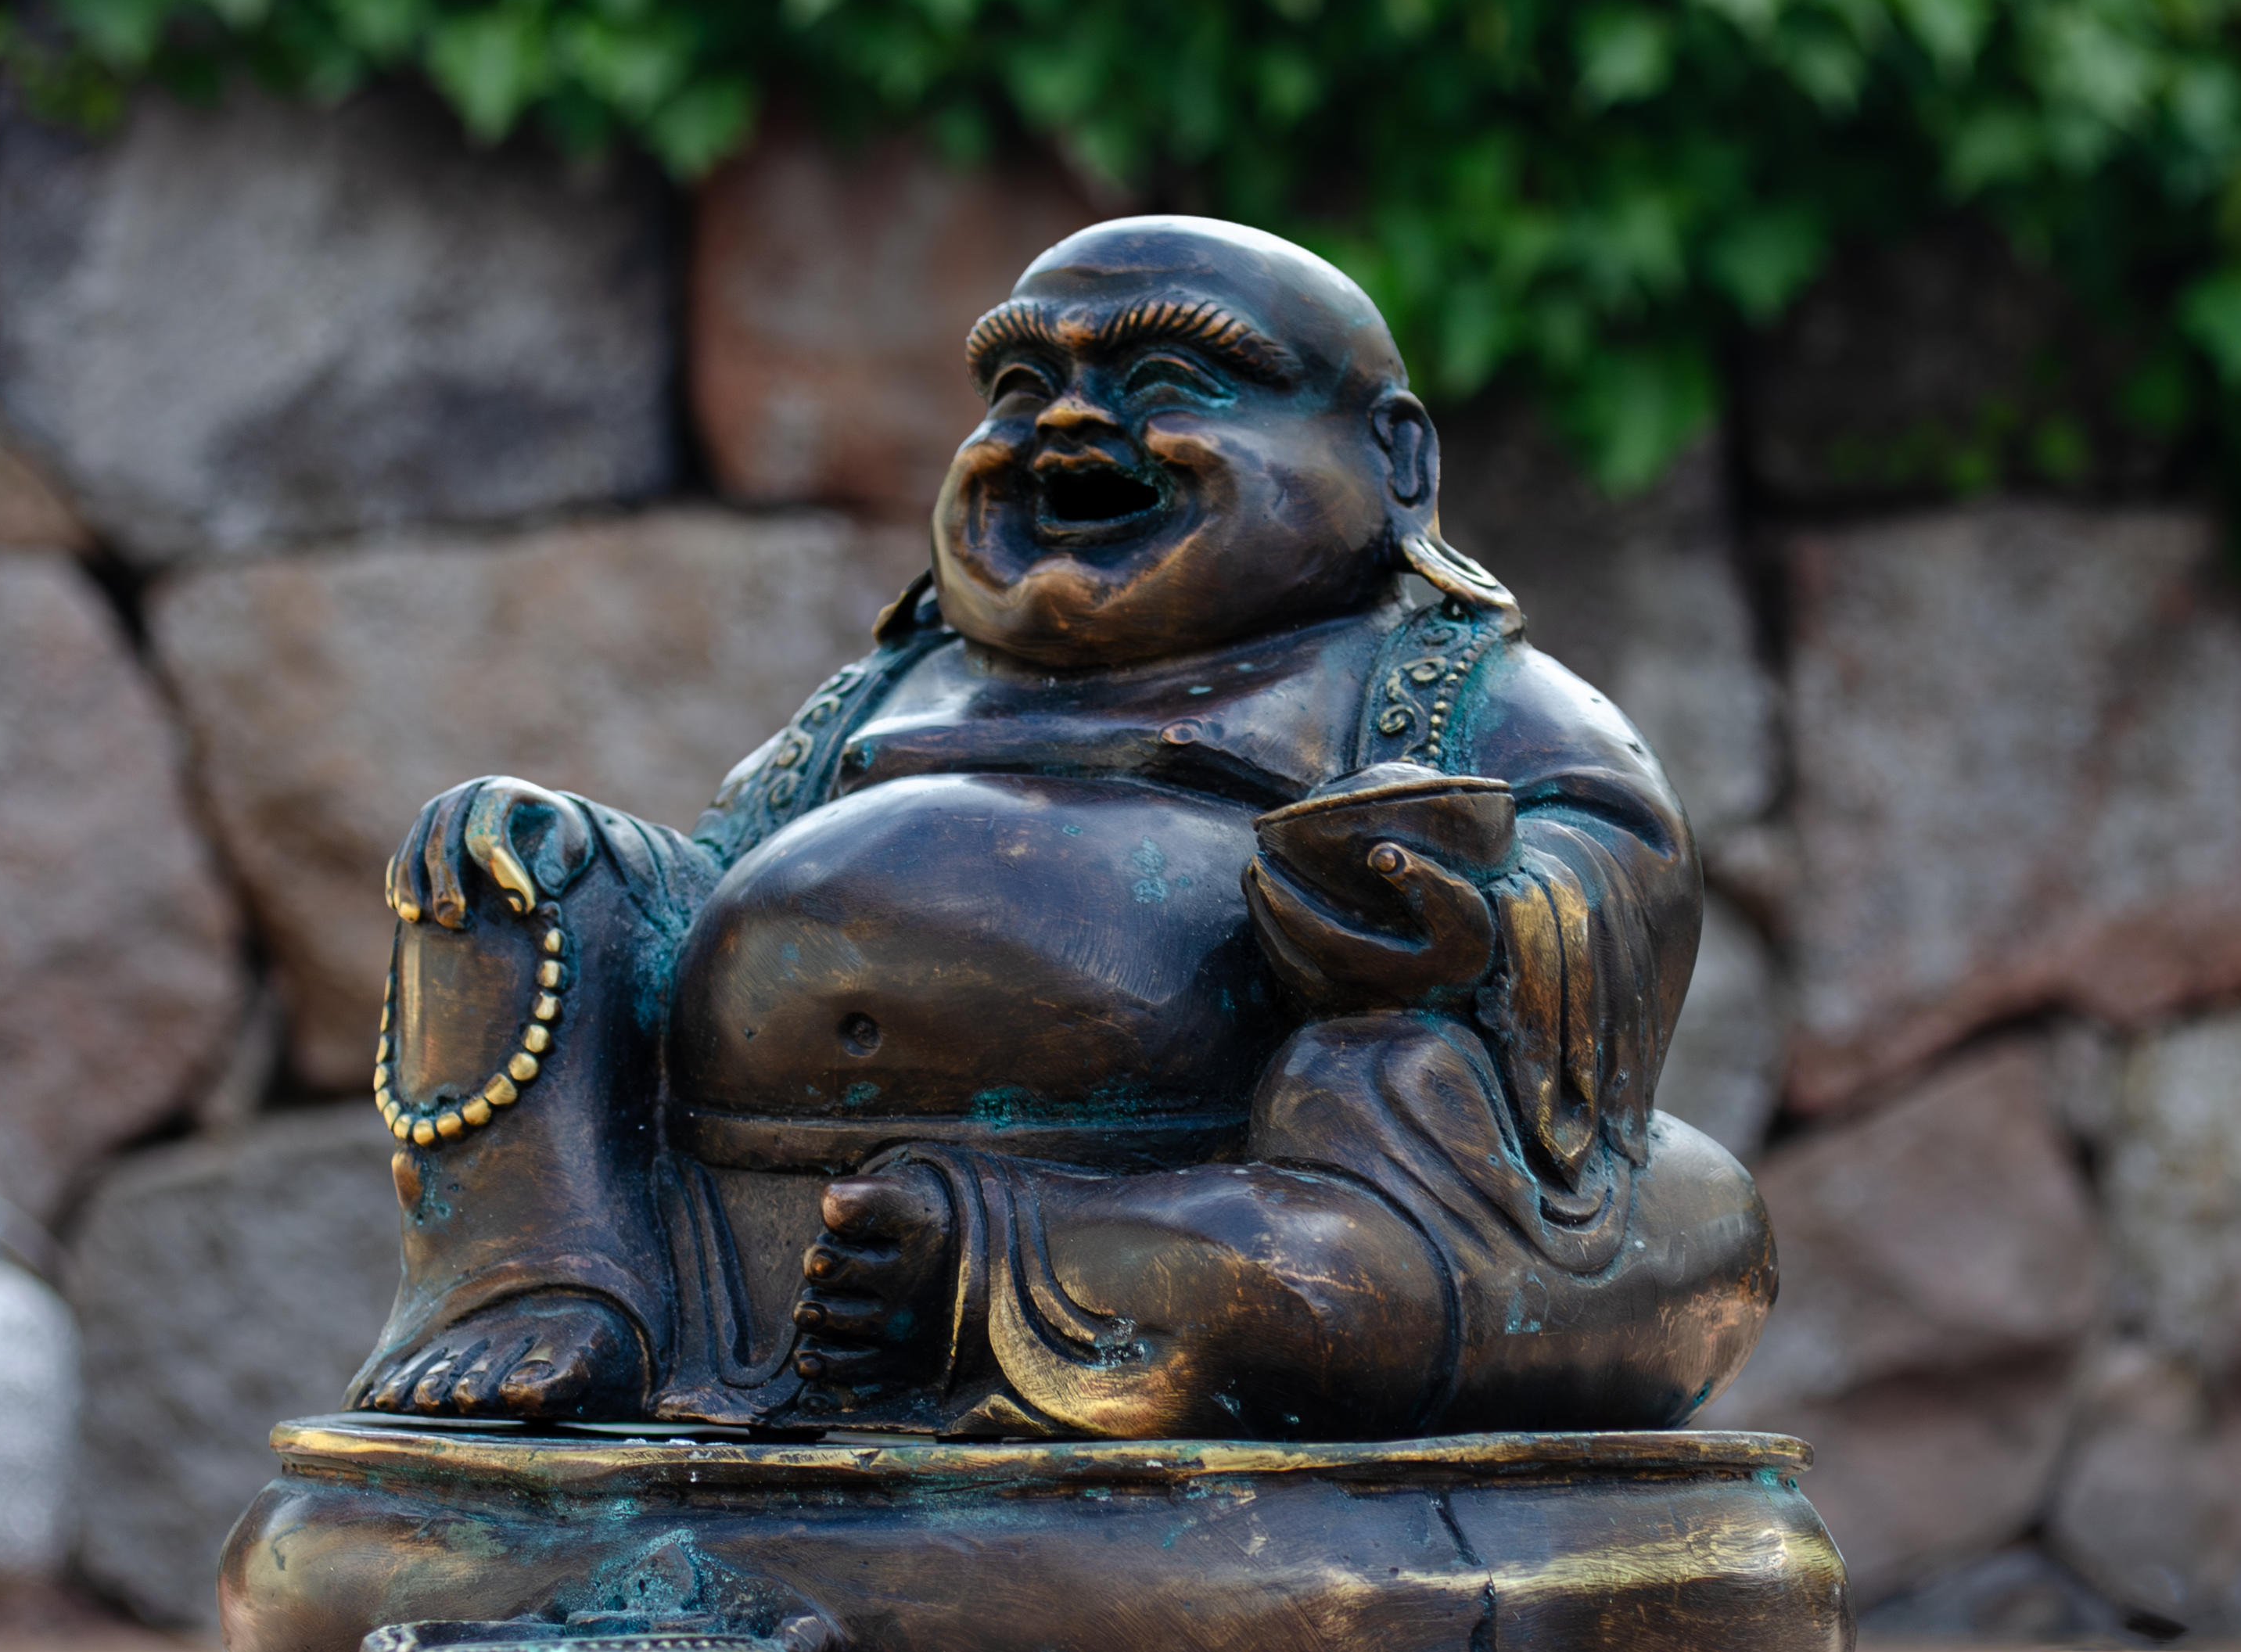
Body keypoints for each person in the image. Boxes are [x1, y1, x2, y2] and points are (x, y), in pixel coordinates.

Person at [348, 215, 1772, 1439]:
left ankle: (1000, 1274)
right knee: (502, 858)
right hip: (743, 1205)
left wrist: (1475, 919)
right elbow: (716, 877)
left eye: (1166, 381)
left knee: (1514, 1167)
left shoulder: (1435, 684)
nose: (1071, 427)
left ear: (1393, 459)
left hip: (1221, 1186)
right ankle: (547, 1281)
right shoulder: (896, 683)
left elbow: (1615, 864)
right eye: (1020, 388)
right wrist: (558, 862)